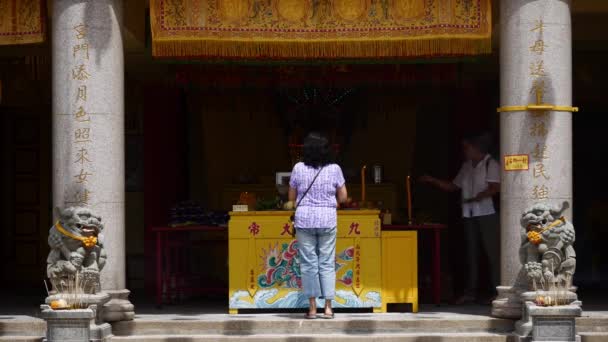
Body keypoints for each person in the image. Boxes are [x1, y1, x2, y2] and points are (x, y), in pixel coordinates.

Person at [419, 132, 500, 304]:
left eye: (467, 147)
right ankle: (470, 292)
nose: (464, 151)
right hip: (469, 214)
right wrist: (431, 180)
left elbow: (496, 187)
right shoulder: (467, 166)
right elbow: (452, 186)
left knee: (492, 254)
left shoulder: (491, 164)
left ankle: (497, 291)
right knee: (471, 254)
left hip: (487, 213)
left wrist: (479, 196)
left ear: (476, 148)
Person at [289, 132, 348, 319]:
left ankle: (313, 308)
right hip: (327, 219)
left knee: (308, 264)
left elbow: (291, 198)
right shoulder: (335, 169)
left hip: (304, 219)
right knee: (327, 263)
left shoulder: (298, 168)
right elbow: (344, 197)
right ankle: (328, 308)